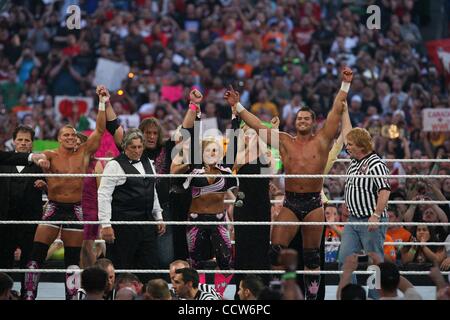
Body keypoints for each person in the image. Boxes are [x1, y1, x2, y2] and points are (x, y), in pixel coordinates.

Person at [225, 67, 354, 299]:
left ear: (314, 122)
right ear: (294, 122)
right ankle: (276, 295)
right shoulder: (285, 141)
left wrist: (345, 84)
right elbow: (256, 125)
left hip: (314, 203)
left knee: (312, 256)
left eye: (306, 118)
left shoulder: (323, 140)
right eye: (299, 118)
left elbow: (336, 109)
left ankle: (312, 297)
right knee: (275, 252)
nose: (302, 121)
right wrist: (238, 106)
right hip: (291, 202)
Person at [23, 88, 106, 300]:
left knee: (71, 261)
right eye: (66, 135)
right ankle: (28, 295)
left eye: (72, 134)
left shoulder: (84, 153)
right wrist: (40, 161)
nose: (70, 137)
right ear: (59, 138)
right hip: (53, 206)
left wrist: (102, 103)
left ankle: (71, 298)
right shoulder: (51, 154)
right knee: (35, 257)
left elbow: (99, 130)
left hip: (75, 208)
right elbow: (38, 156)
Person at [170, 89, 238, 270]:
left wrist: (234, 110)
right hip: (195, 220)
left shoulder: (226, 170)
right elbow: (193, 136)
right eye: (208, 150)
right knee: (195, 263)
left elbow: (235, 138)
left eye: (216, 150)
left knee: (225, 261)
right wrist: (197, 109)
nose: (212, 153)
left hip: (218, 219)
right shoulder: (196, 168)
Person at [98, 129, 165, 285]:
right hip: (123, 225)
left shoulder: (148, 162)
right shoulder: (114, 165)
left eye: (139, 147)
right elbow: (103, 195)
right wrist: (106, 225)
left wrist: (158, 216)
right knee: (122, 267)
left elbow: (152, 191)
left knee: (149, 266)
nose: (137, 151)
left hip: (147, 224)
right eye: (133, 147)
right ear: (124, 147)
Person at [339, 127, 391, 298]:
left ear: (361, 146)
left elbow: (384, 190)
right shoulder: (354, 162)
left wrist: (376, 215)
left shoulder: (376, 163)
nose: (347, 147)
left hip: (371, 221)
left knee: (375, 263)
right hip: (353, 220)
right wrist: (347, 203)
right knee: (344, 259)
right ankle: (351, 295)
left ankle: (375, 296)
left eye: (350, 144)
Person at [0, 125, 47, 298]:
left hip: (30, 223)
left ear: (32, 143)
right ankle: (5, 293)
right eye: (19, 139)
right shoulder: (4, 162)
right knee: (3, 259)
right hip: (5, 220)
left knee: (29, 261)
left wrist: (46, 186)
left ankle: (27, 293)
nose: (23, 143)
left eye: (27, 140)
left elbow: (54, 189)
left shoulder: (41, 165)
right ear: (13, 141)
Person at [80, 85, 123, 268]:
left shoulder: (94, 162)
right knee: (85, 247)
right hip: (77, 207)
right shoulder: (68, 159)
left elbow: (99, 129)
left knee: (91, 246)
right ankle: (87, 279)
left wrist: (102, 104)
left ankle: (96, 277)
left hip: (92, 207)